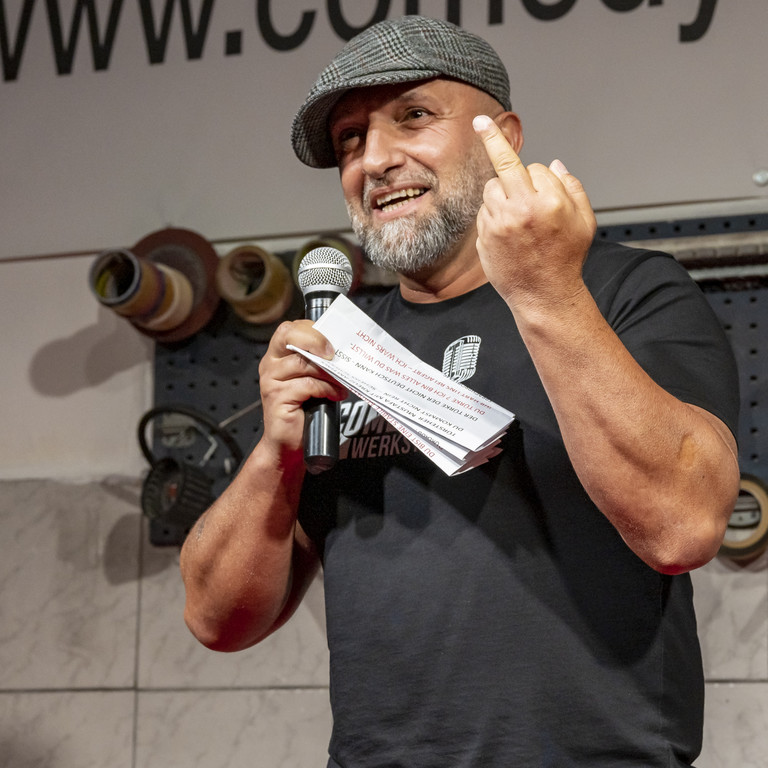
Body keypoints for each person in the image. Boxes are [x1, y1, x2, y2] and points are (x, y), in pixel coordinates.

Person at [180, 15, 741, 767]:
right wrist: (275, 455)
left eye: (413, 116)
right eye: (349, 139)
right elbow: (217, 621)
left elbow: (684, 527)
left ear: (500, 136)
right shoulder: (346, 349)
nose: (375, 159)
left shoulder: (624, 291)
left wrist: (545, 292)